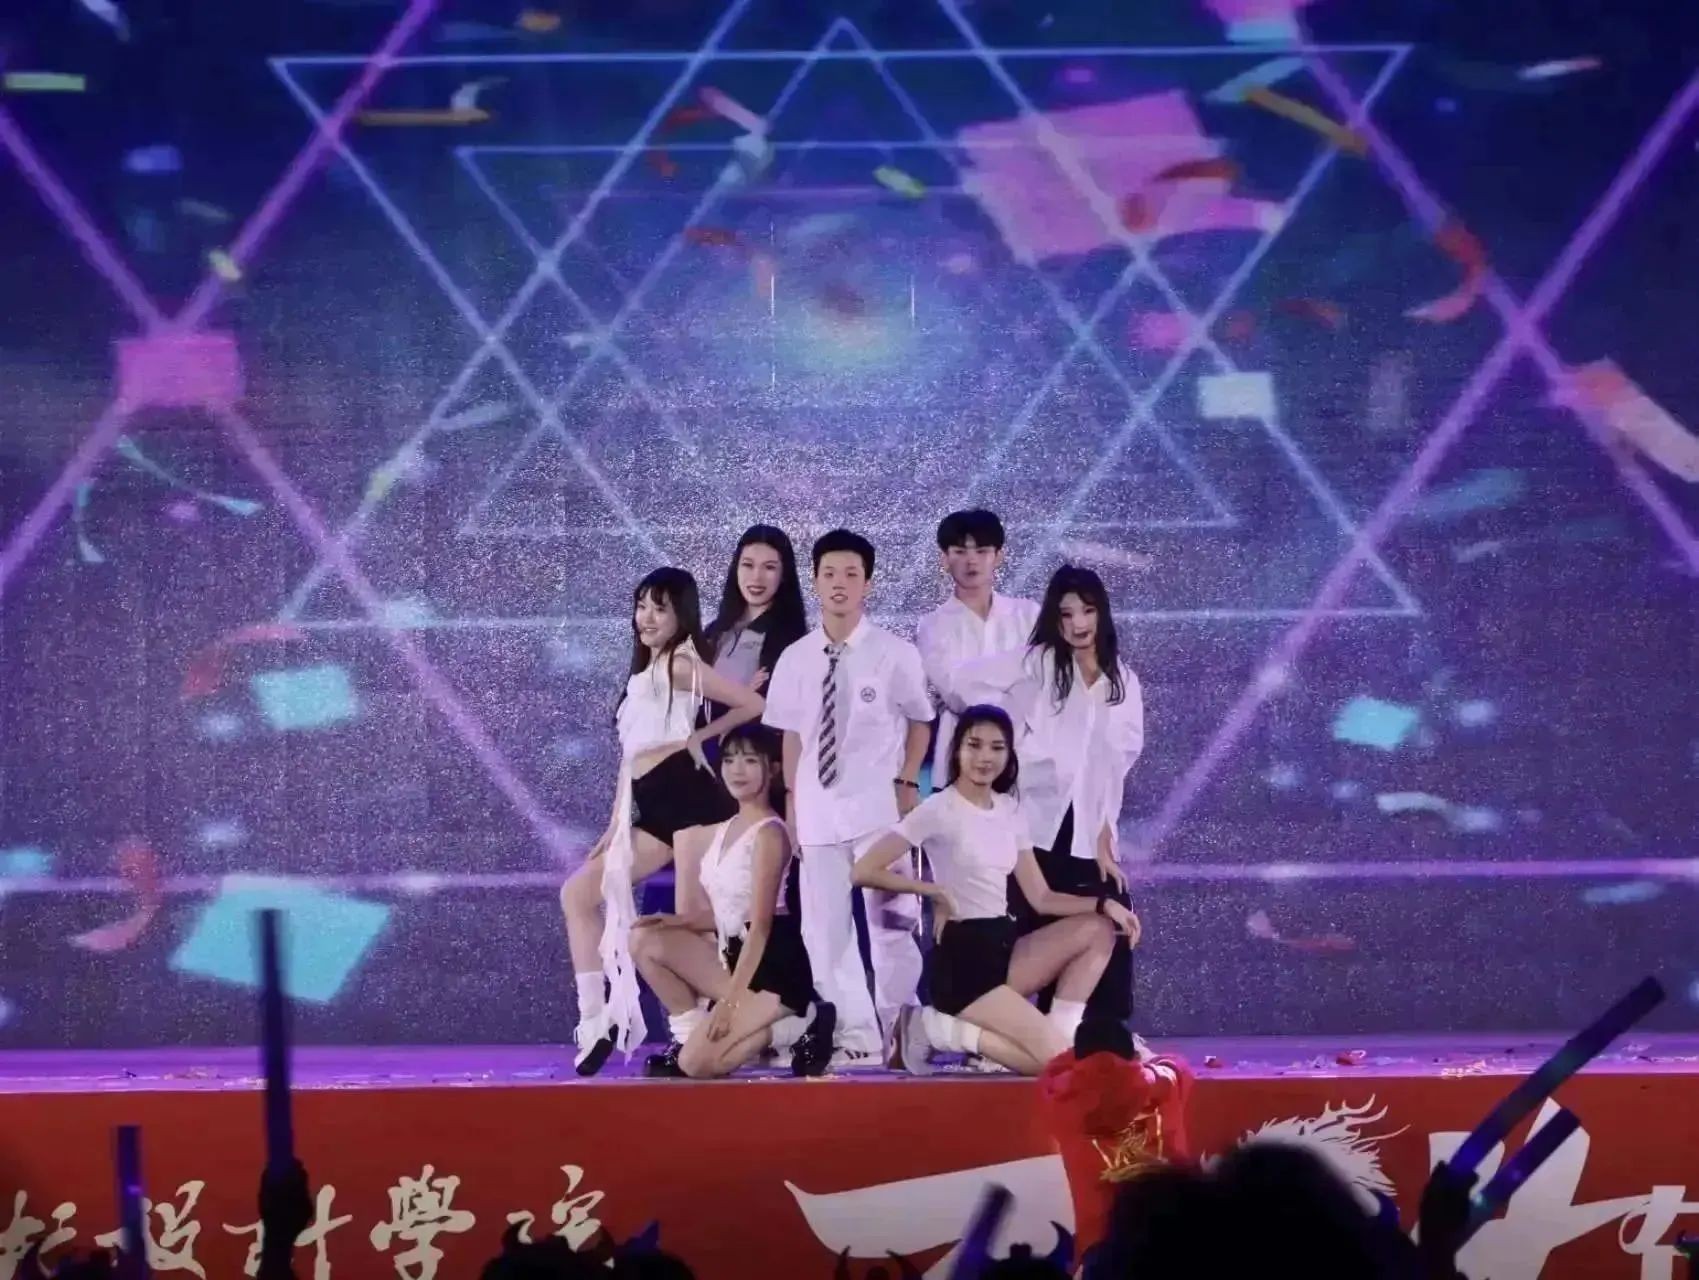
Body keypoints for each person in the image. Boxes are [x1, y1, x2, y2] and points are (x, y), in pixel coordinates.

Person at [853, 706, 1140, 1076]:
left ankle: (1059, 1034)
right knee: (1060, 1066)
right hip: (963, 963)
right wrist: (932, 891)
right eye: (974, 745)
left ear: (1009, 756)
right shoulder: (939, 808)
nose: (984, 757)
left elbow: (1041, 897)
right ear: (957, 749)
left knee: (1099, 930)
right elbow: (863, 870)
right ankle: (938, 1029)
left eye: (996, 748)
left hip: (1002, 949)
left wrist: (1105, 904)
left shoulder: (1009, 810)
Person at [560, 567, 765, 1075]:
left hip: (690, 801)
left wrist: (697, 738)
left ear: (681, 616)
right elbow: (631, 756)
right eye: (642, 606)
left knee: (690, 925)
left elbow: (751, 703)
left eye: (660, 608)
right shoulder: (645, 671)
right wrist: (616, 823)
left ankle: (734, 1026)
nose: (647, 618)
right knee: (578, 894)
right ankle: (594, 1021)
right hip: (651, 806)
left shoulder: (679, 663)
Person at [762, 529, 933, 1067]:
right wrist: (793, 802)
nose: (839, 584)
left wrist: (908, 782)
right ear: (814, 581)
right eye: (829, 574)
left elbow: (921, 721)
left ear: (868, 584)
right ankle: (855, 1035)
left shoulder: (894, 653)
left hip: (880, 809)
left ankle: (901, 1032)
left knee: (893, 926)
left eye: (851, 574)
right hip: (817, 810)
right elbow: (792, 735)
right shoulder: (796, 657)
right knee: (824, 930)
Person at [957, 565, 1144, 1025]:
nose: (1078, 623)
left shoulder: (1123, 682)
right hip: (1032, 823)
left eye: (1087, 611)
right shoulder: (1038, 662)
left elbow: (1118, 763)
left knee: (1110, 918)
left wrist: (1105, 831)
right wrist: (1018, 733)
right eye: (1066, 613)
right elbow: (965, 681)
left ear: (1102, 613)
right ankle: (995, 1028)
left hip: (1087, 832)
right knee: (1024, 929)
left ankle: (1095, 1032)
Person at [628, 725, 835, 1079]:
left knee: (696, 1065)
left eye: (750, 760)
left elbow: (761, 927)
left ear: (772, 769)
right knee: (644, 939)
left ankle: (799, 1023)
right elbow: (729, 914)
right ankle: (688, 1035)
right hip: (735, 956)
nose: (737, 770)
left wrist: (729, 1004)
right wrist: (676, 922)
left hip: (772, 972)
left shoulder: (770, 834)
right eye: (729, 760)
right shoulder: (726, 828)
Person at [914, 509, 1039, 786]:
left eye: (982, 551)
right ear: (945, 559)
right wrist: (1015, 676)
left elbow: (1041, 682)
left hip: (1026, 765)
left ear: (999, 556)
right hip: (958, 766)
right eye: (960, 551)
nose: (971, 561)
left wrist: (975, 674)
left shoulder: (1029, 615)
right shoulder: (932, 625)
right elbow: (956, 691)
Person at [703, 524, 808, 707]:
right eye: (748, 565)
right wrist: (743, 694)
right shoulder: (713, 632)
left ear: (784, 574)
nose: (756, 577)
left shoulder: (793, 643)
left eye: (769, 567)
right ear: (736, 568)